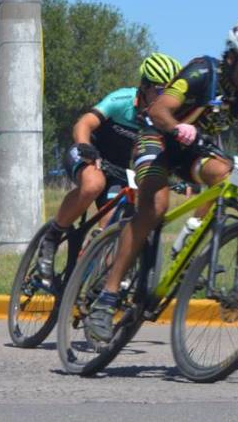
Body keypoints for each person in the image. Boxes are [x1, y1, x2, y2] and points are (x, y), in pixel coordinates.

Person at [85, 8, 238, 342]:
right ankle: (106, 298)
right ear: (233, 57)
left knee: (227, 177)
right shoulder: (202, 71)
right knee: (155, 208)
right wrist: (178, 127)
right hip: (158, 137)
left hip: (195, 150)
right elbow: (158, 109)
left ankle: (189, 239)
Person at [35, 52, 184, 280]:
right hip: (88, 155)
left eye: (171, 92)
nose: (166, 97)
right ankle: (52, 237)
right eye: (161, 90)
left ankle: (88, 277)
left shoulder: (161, 117)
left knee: (113, 224)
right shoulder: (122, 100)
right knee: (94, 184)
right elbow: (84, 123)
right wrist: (85, 146)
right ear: (144, 86)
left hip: (117, 169)